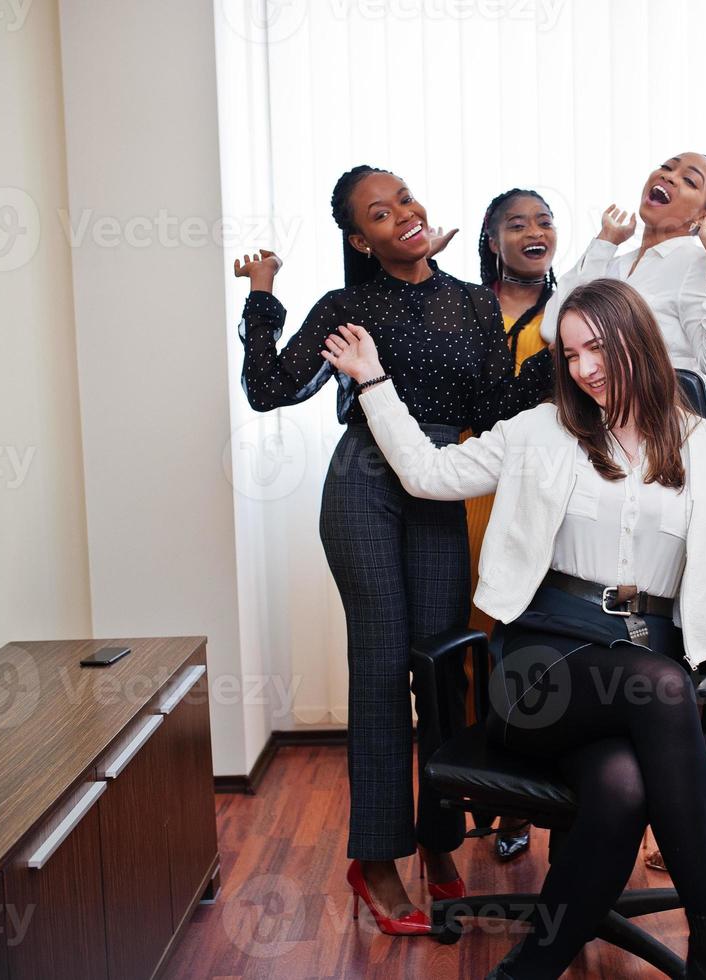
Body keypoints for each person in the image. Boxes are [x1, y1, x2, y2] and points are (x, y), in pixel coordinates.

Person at [319, 277, 706, 978]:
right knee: (663, 687)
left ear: (639, 340)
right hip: (542, 668)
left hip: (638, 671)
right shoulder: (539, 431)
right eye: (569, 355)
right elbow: (427, 475)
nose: (583, 369)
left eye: (595, 348)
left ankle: (525, 970)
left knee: (624, 786)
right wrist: (374, 382)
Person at [232, 164, 551, 937]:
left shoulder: (473, 303)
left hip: (439, 482)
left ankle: (437, 847)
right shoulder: (348, 304)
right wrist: (261, 296)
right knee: (380, 669)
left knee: (440, 674)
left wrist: (567, 352)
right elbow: (272, 388)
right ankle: (375, 858)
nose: (401, 214)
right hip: (365, 484)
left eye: (405, 199)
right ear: (359, 238)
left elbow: (489, 407)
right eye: (380, 213)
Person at [467, 187, 560, 861]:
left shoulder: (574, 306)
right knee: (477, 646)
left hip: (548, 484)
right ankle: (489, 795)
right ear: (491, 241)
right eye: (515, 223)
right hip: (472, 482)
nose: (533, 229)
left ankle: (531, 802)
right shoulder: (463, 309)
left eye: (543, 220)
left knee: (535, 649)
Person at [540, 152, 706, 417]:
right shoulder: (612, 262)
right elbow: (552, 329)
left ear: (703, 216)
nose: (668, 176)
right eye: (666, 167)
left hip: (656, 426)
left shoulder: (693, 262)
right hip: (595, 421)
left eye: (689, 180)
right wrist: (605, 241)